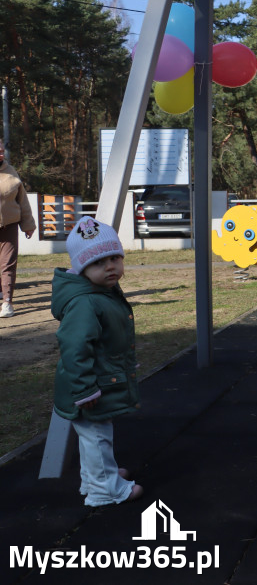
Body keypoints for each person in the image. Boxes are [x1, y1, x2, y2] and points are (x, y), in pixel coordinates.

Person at [52, 217, 143, 506]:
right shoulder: (84, 302)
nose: (110, 266)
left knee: (96, 435)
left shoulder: (100, 292)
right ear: (82, 268)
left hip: (99, 379)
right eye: (99, 262)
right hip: (87, 386)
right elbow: (75, 347)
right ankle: (104, 490)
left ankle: (96, 477)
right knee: (96, 437)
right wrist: (84, 389)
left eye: (115, 257)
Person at [0, 144, 37, 318]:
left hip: (9, 226)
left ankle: (7, 302)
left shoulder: (11, 171)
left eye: (1, 150)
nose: (1, 153)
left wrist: (28, 225)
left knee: (8, 264)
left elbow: (23, 201)